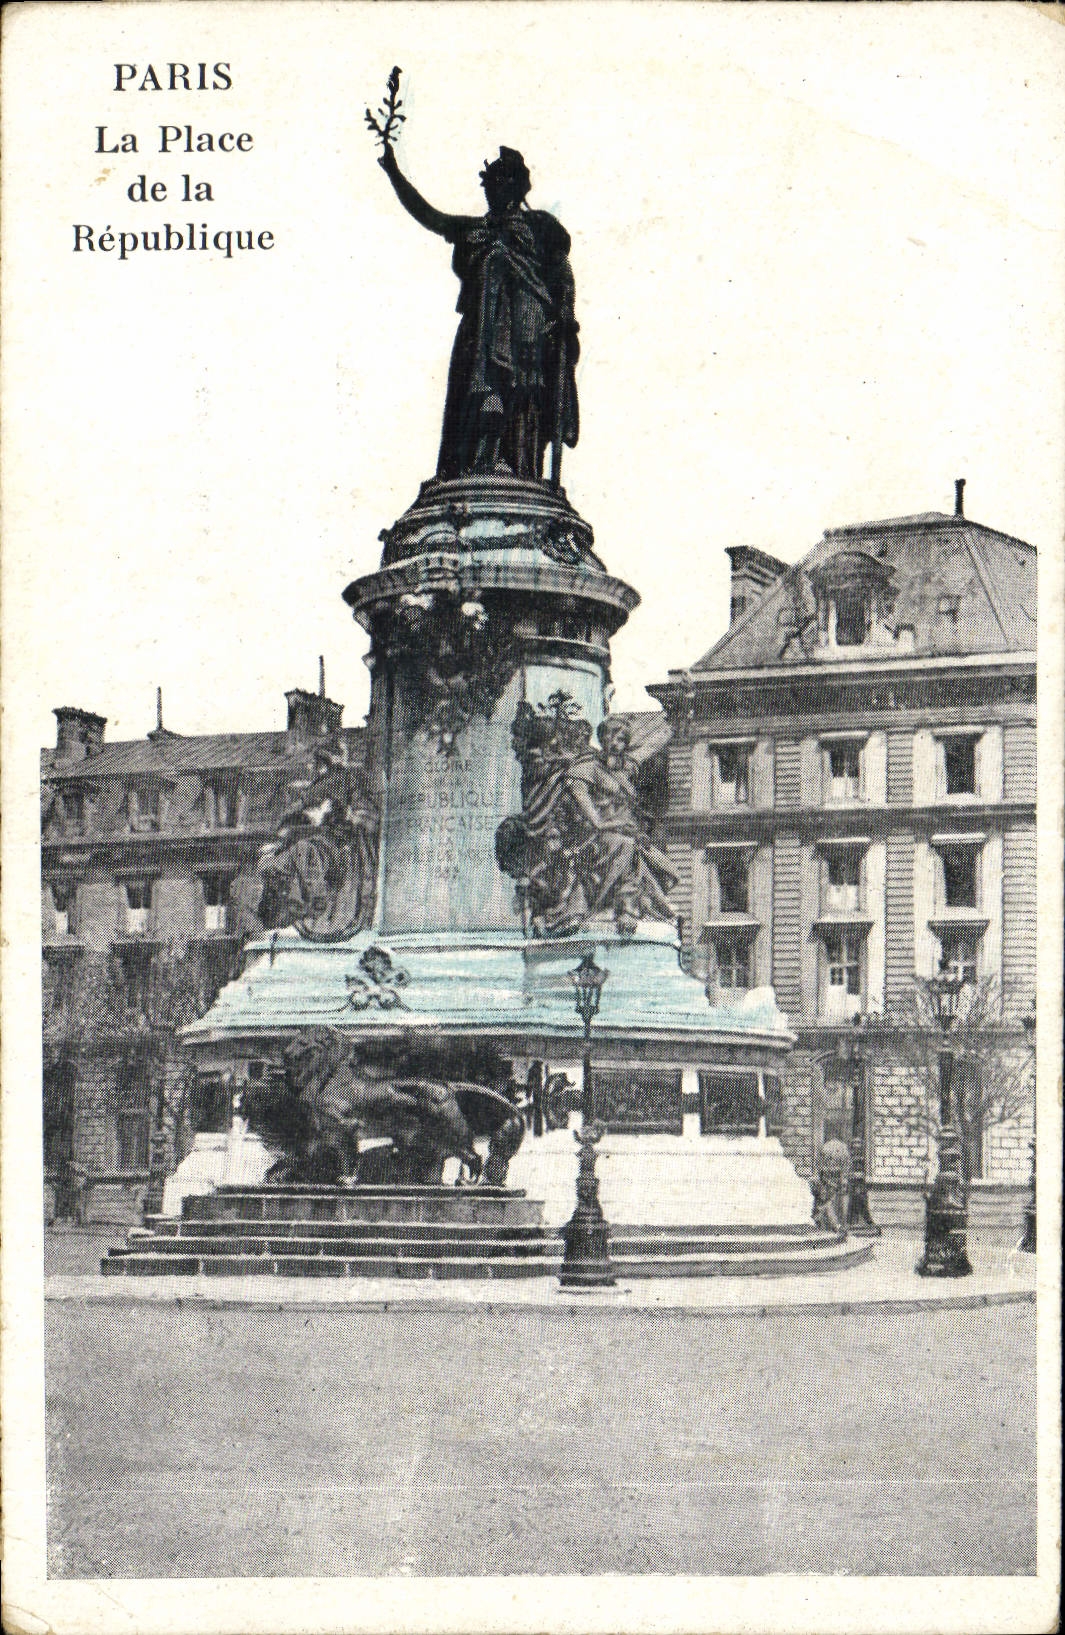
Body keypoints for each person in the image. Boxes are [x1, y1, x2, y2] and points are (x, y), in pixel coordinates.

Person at [378, 143, 579, 482]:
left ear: (516, 187)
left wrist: (564, 315)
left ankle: (517, 469)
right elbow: (430, 216)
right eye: (489, 184)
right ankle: (475, 463)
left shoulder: (540, 228)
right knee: (474, 396)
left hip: (527, 325)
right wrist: (394, 173)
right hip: (480, 329)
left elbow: (562, 274)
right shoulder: (474, 230)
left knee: (522, 396)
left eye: (500, 182)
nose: (491, 191)